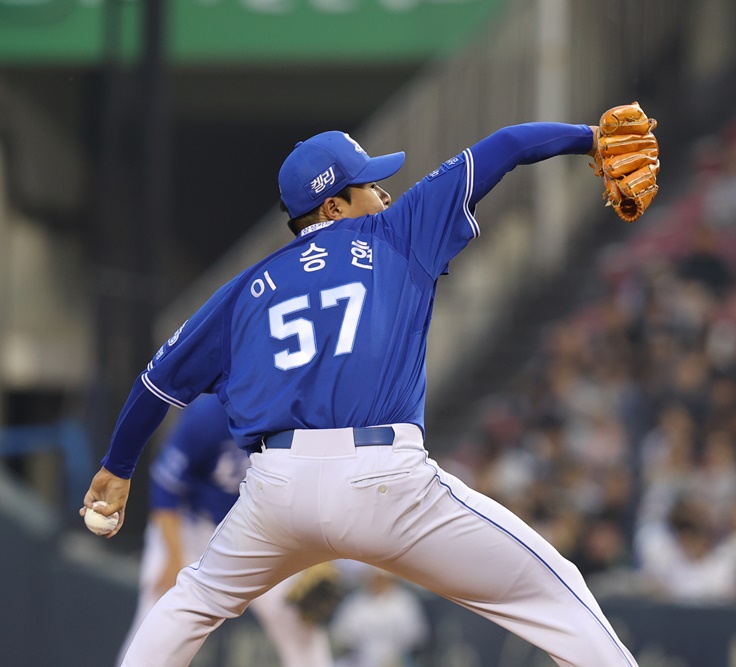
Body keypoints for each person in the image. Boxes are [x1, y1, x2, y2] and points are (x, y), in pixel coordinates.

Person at [82, 116, 640, 666]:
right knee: (555, 590)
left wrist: (117, 466)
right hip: (385, 483)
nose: (384, 192)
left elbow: (157, 382)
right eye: (370, 185)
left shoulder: (246, 289)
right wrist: (587, 138)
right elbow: (509, 144)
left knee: (191, 602)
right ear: (333, 206)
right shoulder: (399, 232)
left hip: (277, 490)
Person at [116, 393, 334, 666]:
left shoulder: (291, 413)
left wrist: (314, 555)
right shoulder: (207, 416)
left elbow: (308, 488)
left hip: (257, 529)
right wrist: (174, 557)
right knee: (157, 613)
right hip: (191, 527)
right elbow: (165, 491)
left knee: (296, 615)